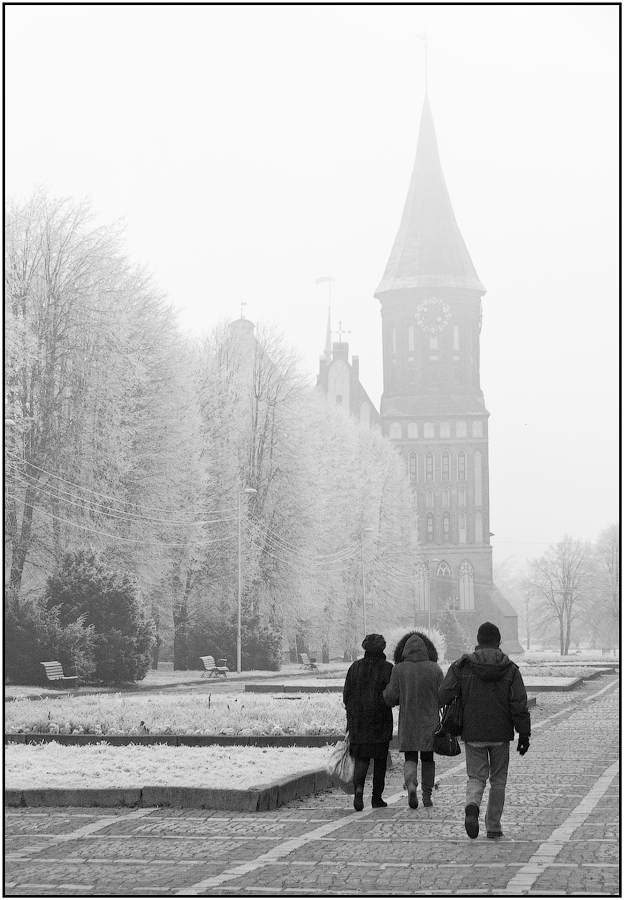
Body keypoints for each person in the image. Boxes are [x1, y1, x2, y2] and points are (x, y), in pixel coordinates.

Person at [439, 621, 531, 840]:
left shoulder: (462, 666)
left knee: (476, 776)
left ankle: (472, 805)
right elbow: (519, 703)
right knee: (498, 780)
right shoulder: (510, 668)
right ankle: (493, 826)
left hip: (473, 732)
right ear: (498, 642)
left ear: (478, 641)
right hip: (501, 734)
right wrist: (524, 734)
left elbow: (443, 694)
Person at [383, 632, 443, 809]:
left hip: (408, 721)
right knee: (428, 757)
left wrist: (386, 695)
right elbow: (443, 695)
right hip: (429, 721)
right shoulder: (435, 669)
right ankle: (427, 795)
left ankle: (410, 785)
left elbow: (391, 696)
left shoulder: (399, 669)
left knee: (410, 756)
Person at [342, 633, 394, 811]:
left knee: (361, 758)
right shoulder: (388, 668)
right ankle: (377, 797)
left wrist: (351, 713)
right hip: (381, 721)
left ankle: (358, 789)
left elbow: (346, 695)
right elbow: (392, 695)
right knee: (380, 761)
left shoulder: (354, 667)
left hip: (358, 721)